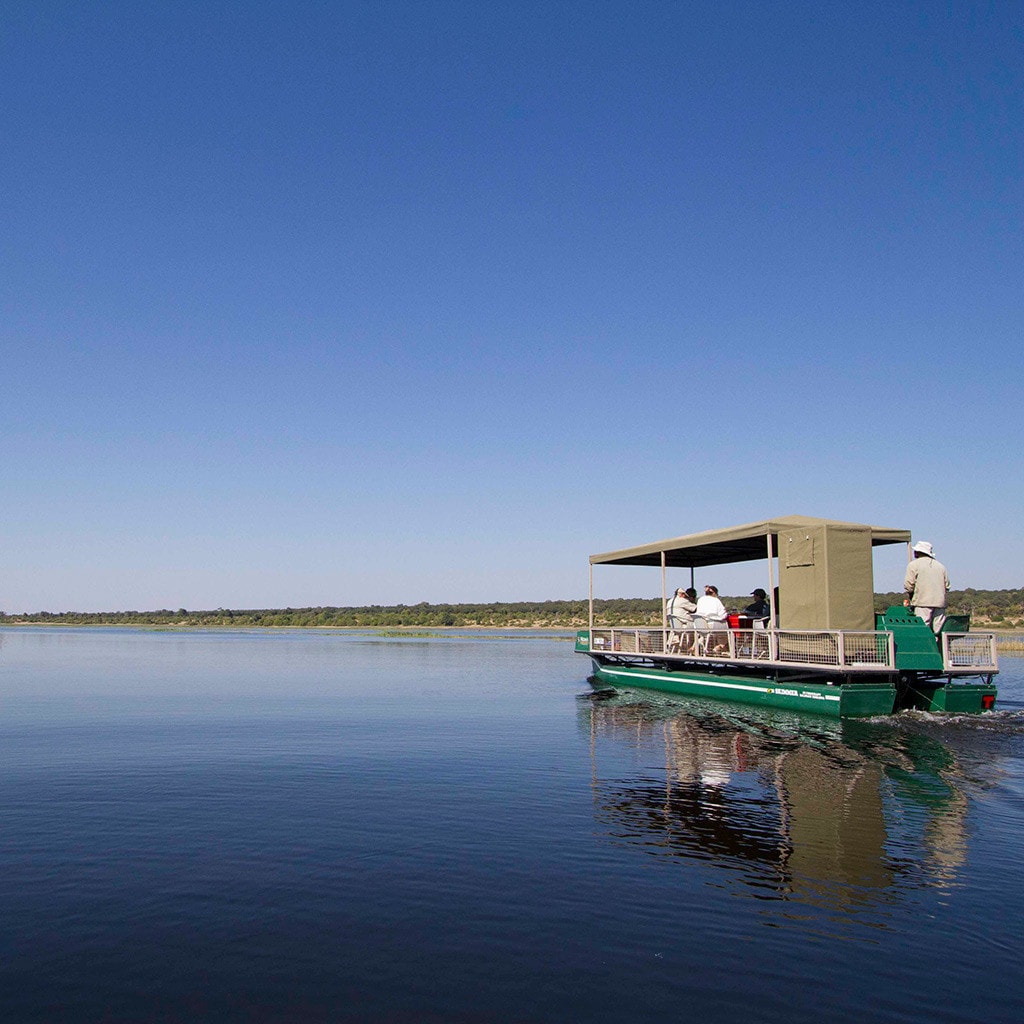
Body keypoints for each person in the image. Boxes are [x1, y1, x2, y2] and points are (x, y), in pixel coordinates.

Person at [903, 541, 950, 634]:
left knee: (922, 629)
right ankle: (939, 648)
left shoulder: (914, 565)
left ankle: (923, 648)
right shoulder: (941, 566)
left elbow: (908, 585)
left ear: (918, 552)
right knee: (938, 631)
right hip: (940, 603)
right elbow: (947, 586)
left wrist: (912, 595)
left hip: (922, 602)